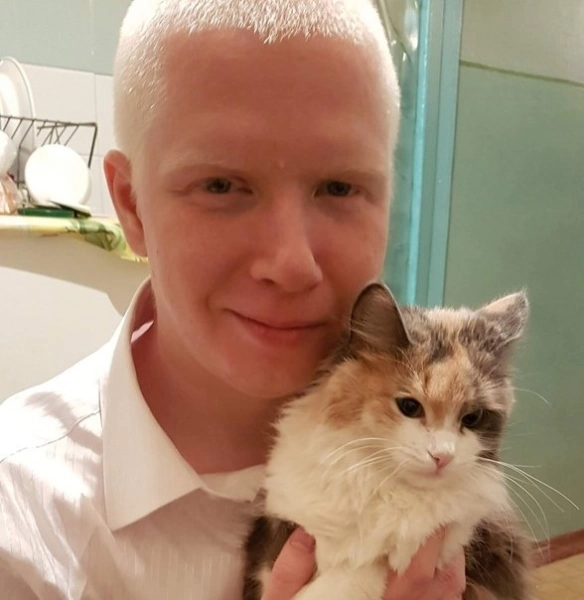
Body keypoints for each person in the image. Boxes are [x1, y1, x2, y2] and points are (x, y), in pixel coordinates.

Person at [0, 0, 466, 598]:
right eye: (220, 185)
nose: (291, 264)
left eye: (339, 187)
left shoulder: (442, 451)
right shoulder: (23, 528)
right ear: (133, 207)